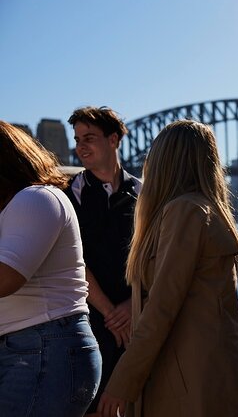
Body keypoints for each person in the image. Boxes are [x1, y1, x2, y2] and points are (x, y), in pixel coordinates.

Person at [98, 120, 238, 417]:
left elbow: (162, 306)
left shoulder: (185, 210)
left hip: (186, 376)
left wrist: (122, 380)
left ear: (164, 162)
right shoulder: (200, 208)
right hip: (199, 369)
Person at [0, 121, 102, 416]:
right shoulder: (13, 210)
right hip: (29, 348)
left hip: (44, 348)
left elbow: (6, 278)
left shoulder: (36, 198)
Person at [65, 106, 142, 416]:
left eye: (89, 138)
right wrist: (111, 312)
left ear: (113, 140)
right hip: (91, 322)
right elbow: (73, 261)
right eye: (77, 139)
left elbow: (154, 256)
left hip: (135, 317)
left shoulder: (143, 193)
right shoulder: (72, 194)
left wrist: (133, 305)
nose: (80, 146)